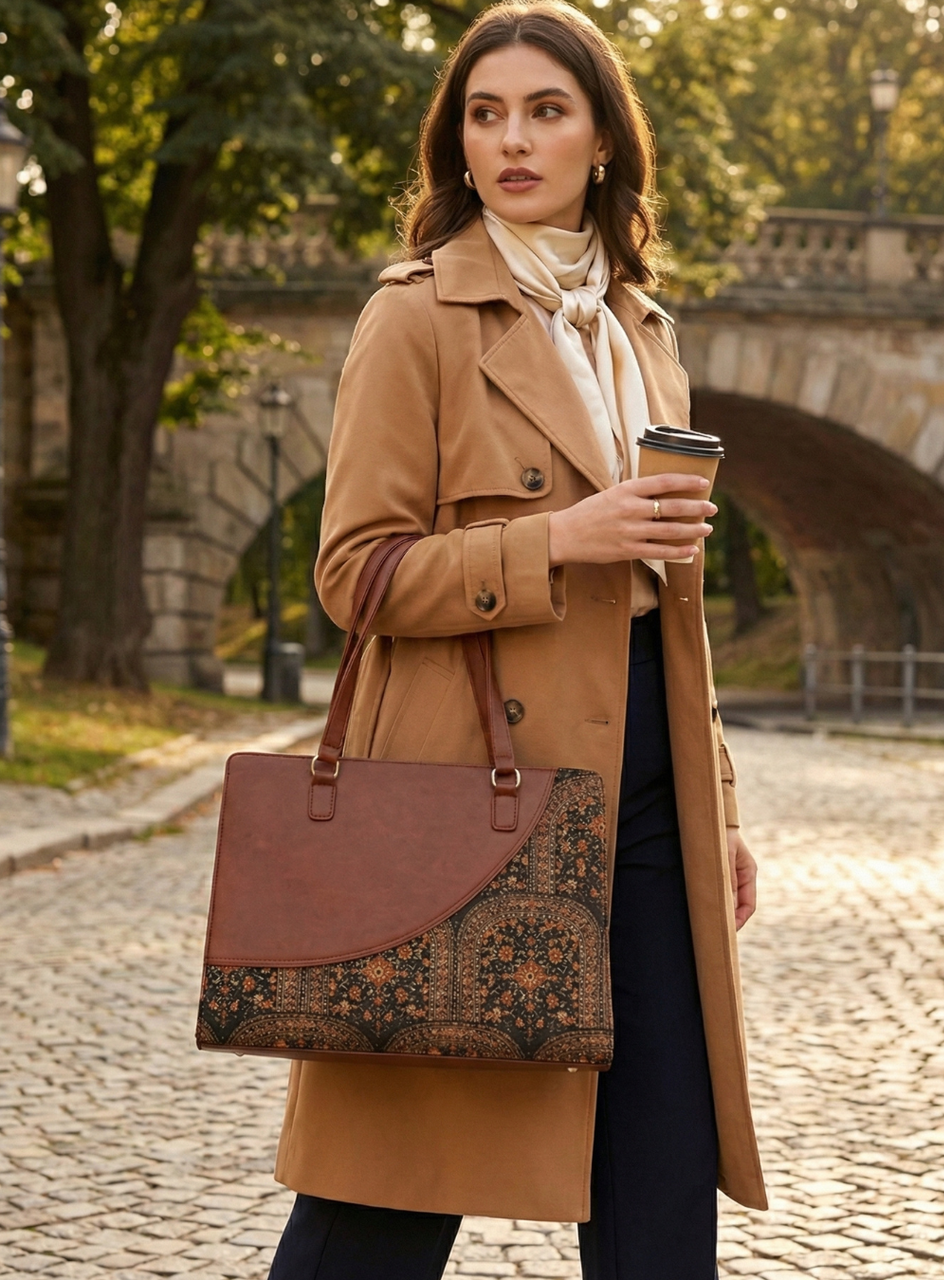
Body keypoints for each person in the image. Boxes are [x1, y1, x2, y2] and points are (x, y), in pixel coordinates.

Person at [268, 3, 765, 1276]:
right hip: (464, 783)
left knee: (660, 1180)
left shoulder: (646, 335)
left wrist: (716, 799)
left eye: (545, 110)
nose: (512, 140)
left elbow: (674, 601)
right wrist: (557, 540)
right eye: (484, 115)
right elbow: (352, 574)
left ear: (603, 138)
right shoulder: (417, 316)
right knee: (388, 1189)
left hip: (647, 780)